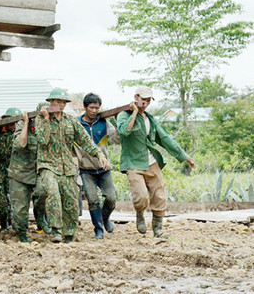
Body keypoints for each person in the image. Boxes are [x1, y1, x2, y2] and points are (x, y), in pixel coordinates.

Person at [116, 85, 194, 238]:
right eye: (142, 99)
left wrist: (184, 156)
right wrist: (135, 113)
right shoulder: (123, 115)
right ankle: (140, 214)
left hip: (151, 162)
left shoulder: (150, 119)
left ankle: (157, 229)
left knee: (159, 196)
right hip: (133, 162)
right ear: (136, 98)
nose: (145, 103)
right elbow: (124, 131)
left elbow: (164, 138)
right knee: (141, 196)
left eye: (147, 100)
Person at [36, 88, 110, 243]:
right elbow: (43, 140)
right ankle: (56, 230)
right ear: (50, 102)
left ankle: (69, 233)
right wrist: (46, 118)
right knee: (53, 193)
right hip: (48, 165)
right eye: (57, 101)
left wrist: (100, 155)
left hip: (67, 167)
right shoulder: (41, 119)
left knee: (71, 198)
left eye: (63, 102)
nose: (61, 105)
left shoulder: (70, 121)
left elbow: (86, 141)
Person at [76, 93, 119, 239]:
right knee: (93, 200)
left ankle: (105, 217)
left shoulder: (103, 123)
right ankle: (98, 230)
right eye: (91, 107)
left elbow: (116, 139)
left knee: (111, 198)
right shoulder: (77, 124)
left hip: (103, 169)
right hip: (86, 170)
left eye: (97, 108)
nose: (94, 111)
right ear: (85, 107)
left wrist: (119, 121)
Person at [9, 106, 49, 243]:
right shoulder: (24, 123)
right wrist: (26, 123)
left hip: (38, 171)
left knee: (44, 191)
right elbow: (21, 143)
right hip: (19, 172)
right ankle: (22, 232)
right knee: (20, 208)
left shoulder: (48, 124)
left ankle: (40, 219)